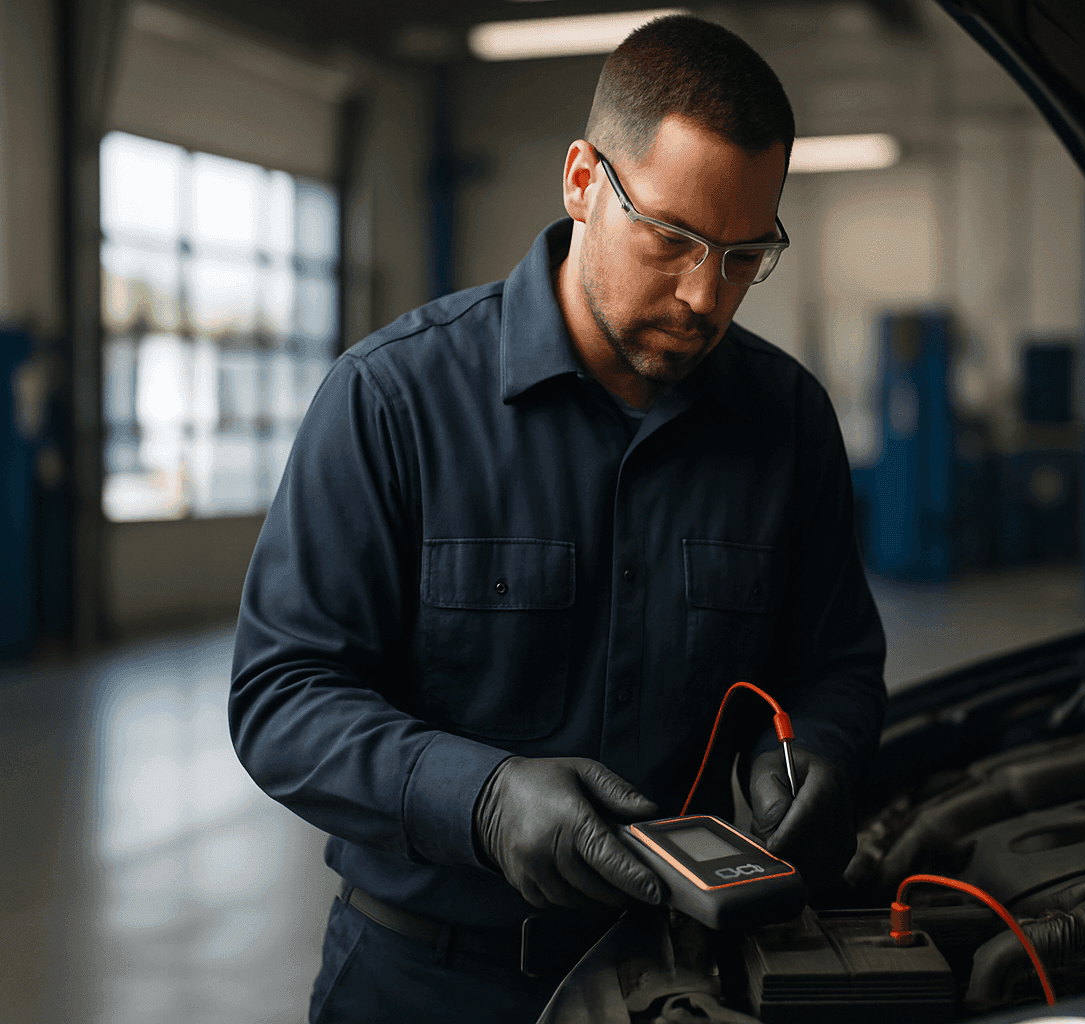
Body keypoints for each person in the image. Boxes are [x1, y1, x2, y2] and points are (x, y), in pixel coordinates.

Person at [228, 13, 887, 1024]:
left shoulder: (787, 422)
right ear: (581, 180)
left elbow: (836, 662)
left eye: (747, 252)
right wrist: (480, 797)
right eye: (673, 238)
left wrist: (821, 754)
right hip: (426, 980)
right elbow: (281, 697)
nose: (708, 294)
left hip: (689, 977)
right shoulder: (391, 402)